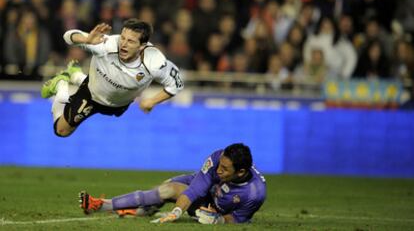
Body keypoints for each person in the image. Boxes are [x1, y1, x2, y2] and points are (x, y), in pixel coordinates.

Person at [41, 19, 183, 137]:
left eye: (131, 41)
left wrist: (152, 101)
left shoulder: (155, 62)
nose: (123, 44)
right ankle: (61, 84)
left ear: (142, 46)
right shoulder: (105, 45)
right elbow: (68, 36)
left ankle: (75, 75)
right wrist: (86, 40)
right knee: (61, 131)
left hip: (120, 104)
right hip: (91, 94)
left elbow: (176, 84)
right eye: (123, 38)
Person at [79, 143, 266, 224]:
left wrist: (217, 221)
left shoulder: (254, 194)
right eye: (220, 166)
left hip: (212, 209)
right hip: (204, 188)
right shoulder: (218, 157)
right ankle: (137, 210)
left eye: (225, 170)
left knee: (168, 190)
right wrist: (176, 212)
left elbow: (237, 220)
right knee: (165, 187)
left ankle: (104, 205)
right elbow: (195, 189)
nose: (218, 171)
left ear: (241, 172)